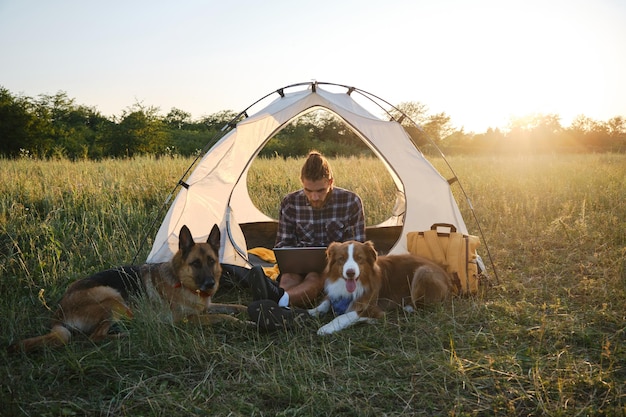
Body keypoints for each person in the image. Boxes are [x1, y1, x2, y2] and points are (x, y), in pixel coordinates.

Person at [247, 151, 365, 330]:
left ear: (331, 182)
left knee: (314, 278)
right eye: (308, 191)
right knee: (288, 277)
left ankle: (273, 302)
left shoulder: (350, 202)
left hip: (336, 268)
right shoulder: (290, 203)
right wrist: (293, 258)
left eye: (320, 191)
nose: (314, 197)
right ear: (302, 183)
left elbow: (357, 251)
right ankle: (283, 311)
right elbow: (283, 244)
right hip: (299, 265)